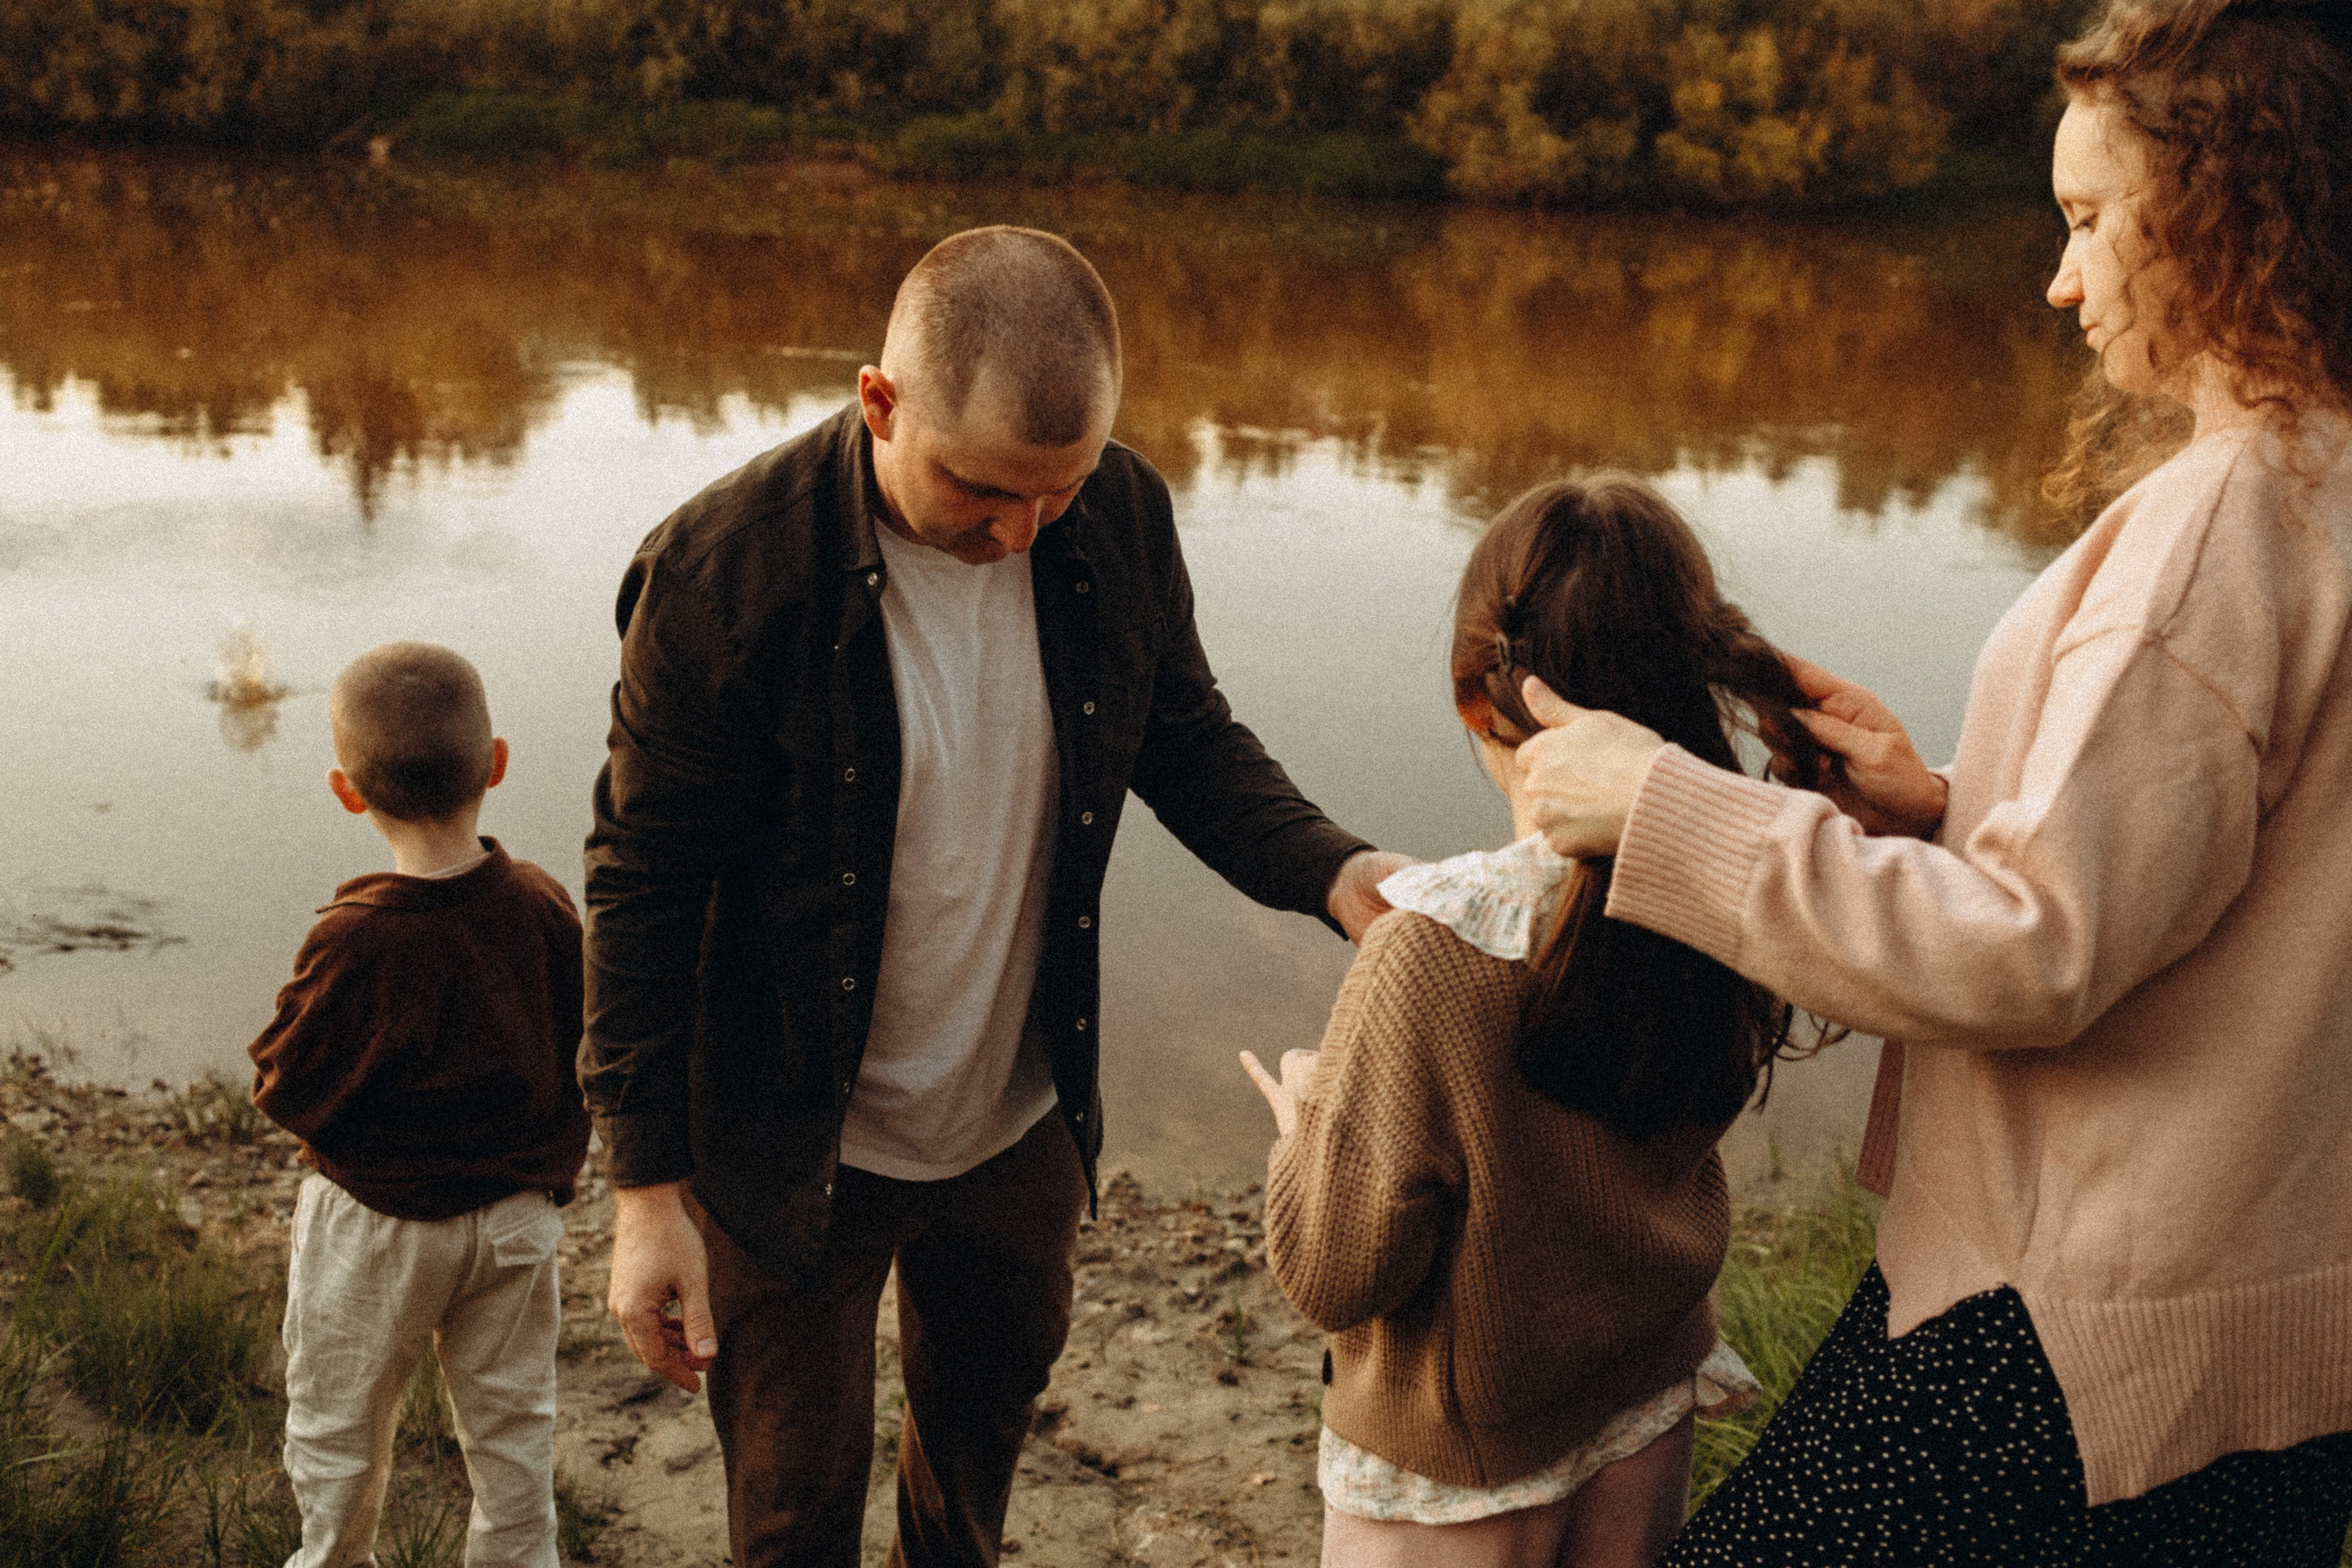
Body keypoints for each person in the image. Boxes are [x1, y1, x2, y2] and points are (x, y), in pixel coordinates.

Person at [1512, 2, 2352, 1562]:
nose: (2060, 274)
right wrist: (1948, 806)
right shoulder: (2330, 499)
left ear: (2233, 210)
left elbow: (2033, 954)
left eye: (2090, 220)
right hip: (2261, 1348)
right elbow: (2233, 873)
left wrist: (1664, 810)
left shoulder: (2221, 527)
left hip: (2068, 1346)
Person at [581, 224, 1409, 1568]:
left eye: (1058, 492)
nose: (1020, 529)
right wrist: (644, 1191)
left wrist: (1336, 868)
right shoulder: (724, 574)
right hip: (796, 1134)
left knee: (972, 1472)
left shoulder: (1121, 512)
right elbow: (642, 885)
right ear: (877, 403)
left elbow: (1183, 736)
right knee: (790, 1511)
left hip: (1017, 1118)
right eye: (981, 491)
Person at [1241, 477, 1824, 1567]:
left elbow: (1332, 1269)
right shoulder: (1740, 883)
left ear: (1477, 698)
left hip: (1453, 1478)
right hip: (1648, 1409)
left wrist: (1303, 1123)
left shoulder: (1429, 955)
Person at [250, 642, 591, 1568]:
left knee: (339, 1425)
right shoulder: (544, 903)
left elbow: (286, 1085)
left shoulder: (354, 936)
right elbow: (583, 1045)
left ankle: (335, 1558)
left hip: (376, 1226)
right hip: (516, 1218)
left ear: (346, 791)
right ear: (498, 764)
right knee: (513, 1431)